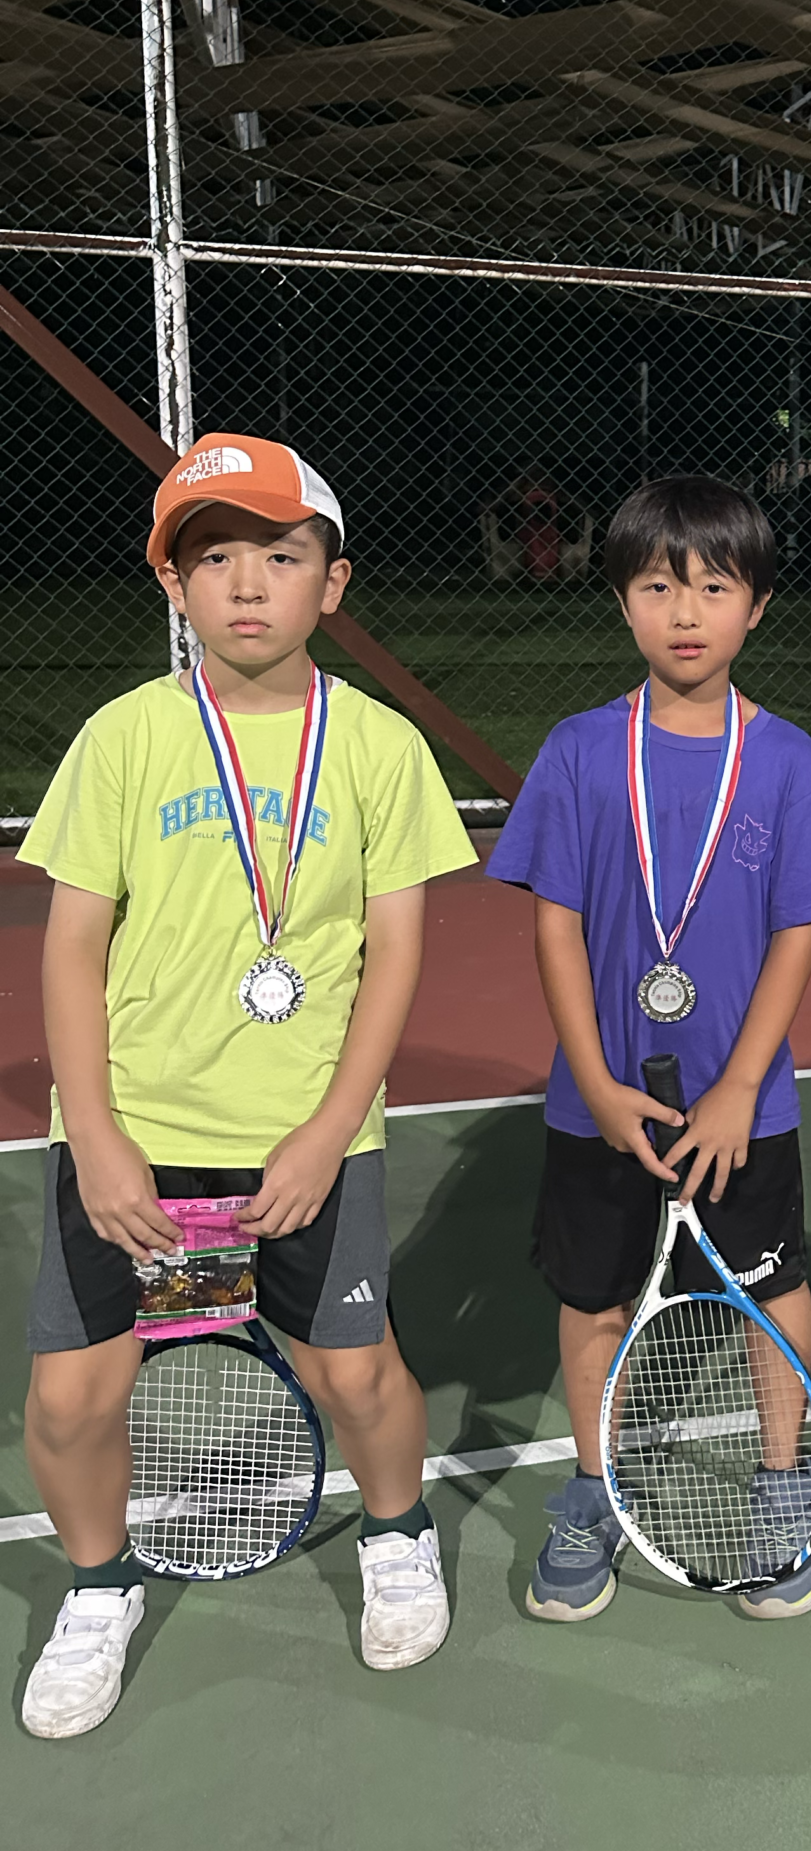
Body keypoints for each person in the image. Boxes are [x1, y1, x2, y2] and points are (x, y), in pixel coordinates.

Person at [18, 434, 477, 1740]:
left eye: (279, 554)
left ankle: (397, 1533)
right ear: (174, 586)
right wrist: (97, 1135)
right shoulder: (123, 738)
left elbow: (394, 955)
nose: (247, 583)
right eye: (213, 558)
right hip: (136, 1136)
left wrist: (332, 1129)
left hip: (308, 1140)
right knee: (71, 1397)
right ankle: (98, 1587)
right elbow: (71, 947)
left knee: (358, 1374)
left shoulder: (379, 747)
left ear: (334, 581)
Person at [488, 476, 811, 1622]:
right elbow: (554, 923)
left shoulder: (785, 758)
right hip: (599, 1104)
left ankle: (782, 1483)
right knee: (594, 1300)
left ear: (758, 605)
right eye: (657, 586)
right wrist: (595, 1080)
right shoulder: (581, 751)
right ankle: (595, 1488)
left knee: (768, 1292)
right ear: (622, 601)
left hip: (746, 1109)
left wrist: (740, 1084)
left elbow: (799, 930)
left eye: (714, 587)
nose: (685, 612)